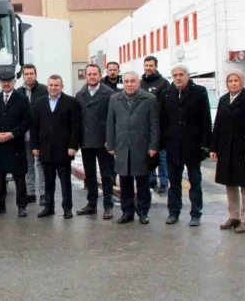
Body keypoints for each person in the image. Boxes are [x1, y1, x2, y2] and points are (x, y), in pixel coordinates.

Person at [160, 64, 211, 227]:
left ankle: (196, 213)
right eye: (174, 75)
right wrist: (163, 142)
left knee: (195, 182)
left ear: (188, 76)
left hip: (193, 145)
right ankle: (173, 212)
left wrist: (205, 145)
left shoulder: (199, 92)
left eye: (181, 74)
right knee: (174, 182)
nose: (178, 78)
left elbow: (205, 120)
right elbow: (163, 120)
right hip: (173, 145)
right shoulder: (167, 93)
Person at [106, 72, 159, 225]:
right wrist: (110, 144)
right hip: (122, 146)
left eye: (132, 81)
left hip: (141, 147)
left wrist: (153, 146)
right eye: (126, 81)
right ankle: (127, 212)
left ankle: (143, 212)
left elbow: (154, 125)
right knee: (125, 181)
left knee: (142, 181)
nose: (129, 84)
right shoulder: (115, 99)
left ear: (139, 83)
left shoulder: (149, 99)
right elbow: (110, 124)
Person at [210, 71, 245, 234]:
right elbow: (217, 125)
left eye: (236, 80)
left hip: (243, 150)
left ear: (241, 82)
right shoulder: (224, 100)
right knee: (230, 184)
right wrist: (214, 148)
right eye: (230, 81)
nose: (232, 83)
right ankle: (234, 217)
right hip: (226, 149)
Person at [30, 75, 79, 219]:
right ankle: (49, 207)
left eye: (56, 85)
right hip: (45, 148)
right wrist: (34, 145)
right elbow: (34, 127)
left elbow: (75, 127)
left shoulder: (71, 102)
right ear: (47, 86)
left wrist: (73, 146)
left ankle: (67, 208)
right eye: (50, 85)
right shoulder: (39, 103)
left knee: (65, 181)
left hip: (64, 149)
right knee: (48, 181)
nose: (53, 87)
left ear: (62, 86)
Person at [0, 71, 31, 217]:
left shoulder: (22, 99)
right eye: (3, 81)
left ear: (14, 82)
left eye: (9, 81)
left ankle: (22, 206)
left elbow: (27, 121)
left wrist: (12, 134)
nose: (6, 83)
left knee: (19, 177)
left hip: (15, 144)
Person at [75, 64, 115, 220]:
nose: (92, 76)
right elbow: (78, 120)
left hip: (104, 141)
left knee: (106, 174)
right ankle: (91, 204)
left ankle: (108, 205)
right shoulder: (80, 94)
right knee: (90, 174)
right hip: (87, 141)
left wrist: (111, 141)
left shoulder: (109, 93)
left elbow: (113, 120)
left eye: (94, 74)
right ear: (85, 76)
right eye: (89, 74)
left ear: (100, 75)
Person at [16, 64, 48, 205]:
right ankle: (30, 193)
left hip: (40, 134)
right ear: (23, 75)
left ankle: (42, 193)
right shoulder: (18, 92)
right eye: (26, 73)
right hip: (24, 135)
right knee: (28, 165)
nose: (29, 76)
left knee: (41, 164)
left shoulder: (44, 90)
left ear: (36, 74)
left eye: (31, 73)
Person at [141, 56, 170, 194]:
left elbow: (168, 104)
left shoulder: (163, 83)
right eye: (146, 65)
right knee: (148, 153)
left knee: (162, 155)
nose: (148, 68)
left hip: (160, 125)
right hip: (145, 126)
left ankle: (164, 182)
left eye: (151, 65)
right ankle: (151, 180)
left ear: (156, 67)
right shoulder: (141, 83)